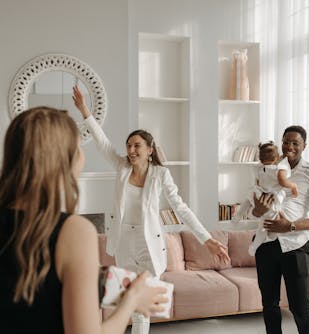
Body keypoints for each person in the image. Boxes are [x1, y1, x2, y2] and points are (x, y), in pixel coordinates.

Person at [0, 107, 167, 334]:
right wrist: (131, 299)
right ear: (62, 158)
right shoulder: (74, 231)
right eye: (78, 147)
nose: (82, 155)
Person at [73, 85, 230, 334]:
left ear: (149, 150)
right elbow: (103, 143)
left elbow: (181, 208)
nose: (131, 150)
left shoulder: (161, 175)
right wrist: (84, 111)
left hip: (149, 243)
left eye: (137, 146)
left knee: (141, 306)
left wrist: (207, 239)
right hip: (124, 241)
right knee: (126, 300)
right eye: (128, 146)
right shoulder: (122, 167)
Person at [250, 125, 309, 334]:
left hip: (295, 246)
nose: (289, 147)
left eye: (295, 143)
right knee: (269, 305)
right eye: (286, 141)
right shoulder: (267, 169)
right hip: (266, 244)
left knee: (300, 307)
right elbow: (254, 208)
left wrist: (291, 226)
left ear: (304, 146)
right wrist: (257, 210)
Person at [232, 141, 298, 256]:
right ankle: (254, 247)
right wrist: (293, 186)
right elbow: (282, 181)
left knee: (247, 200)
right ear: (277, 158)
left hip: (259, 194)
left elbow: (259, 182)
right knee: (264, 226)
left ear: (261, 160)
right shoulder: (279, 169)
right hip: (271, 200)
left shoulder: (260, 169)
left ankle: (237, 216)